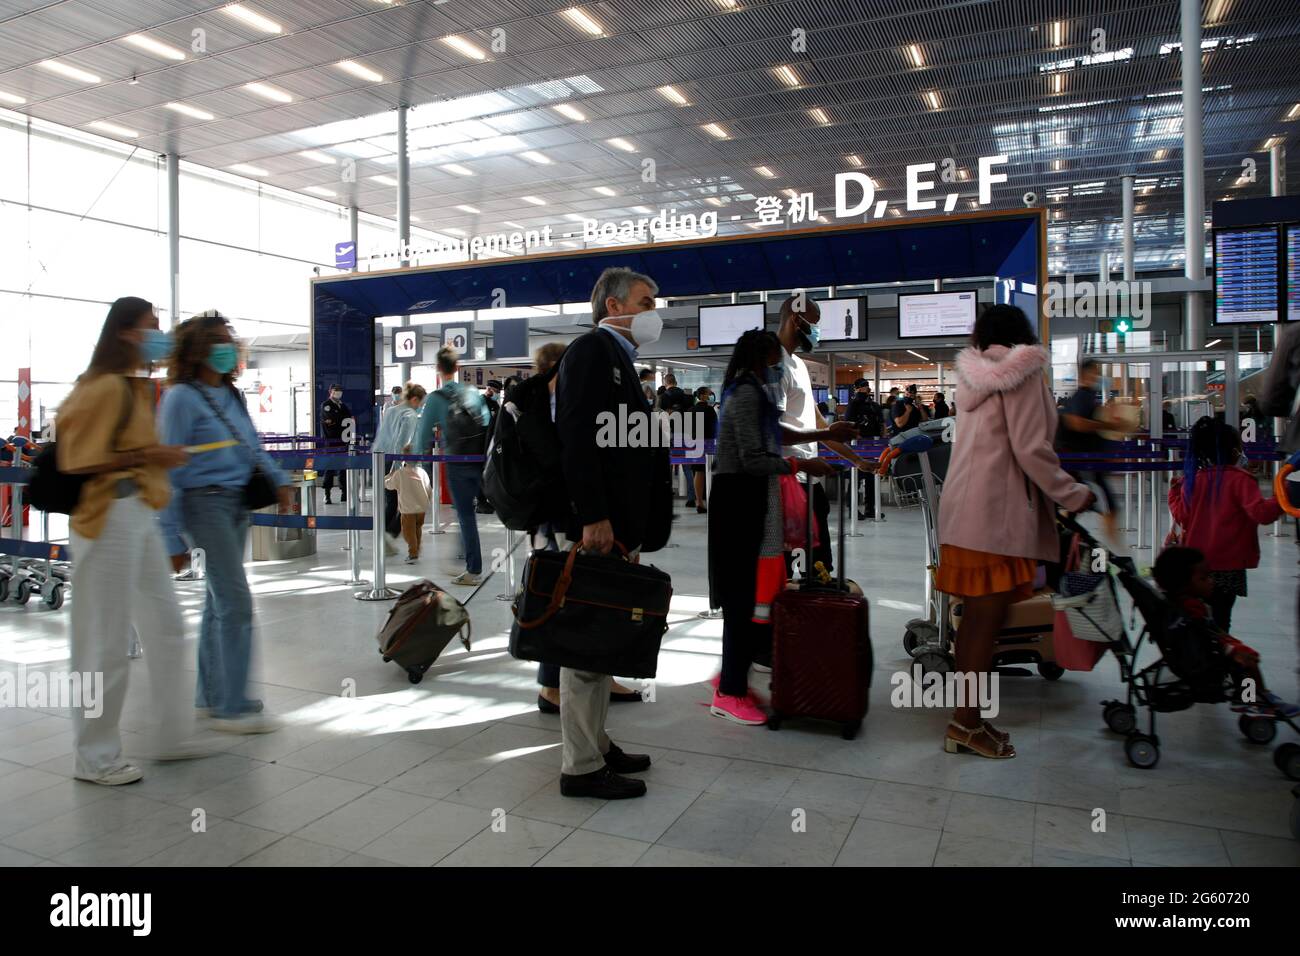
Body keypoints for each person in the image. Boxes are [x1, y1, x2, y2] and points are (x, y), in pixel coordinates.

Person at [56, 297, 204, 784]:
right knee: (104, 640)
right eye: (151, 327)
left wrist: (150, 459)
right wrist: (150, 453)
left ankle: (170, 734)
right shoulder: (101, 388)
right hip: (107, 517)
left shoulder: (136, 386)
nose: (160, 335)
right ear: (125, 332)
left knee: (164, 624)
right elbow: (76, 458)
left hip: (137, 510)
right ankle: (94, 755)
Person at [937, 305, 1094, 759]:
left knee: (979, 622)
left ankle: (970, 719)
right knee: (985, 624)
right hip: (995, 520)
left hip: (966, 517)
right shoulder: (1021, 373)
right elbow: (1031, 449)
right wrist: (1073, 494)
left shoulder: (973, 378)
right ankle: (965, 725)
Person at [552, 266, 672, 799]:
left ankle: (596, 742)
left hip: (621, 528)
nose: (653, 312)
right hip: (599, 527)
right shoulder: (591, 353)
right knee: (585, 642)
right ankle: (579, 766)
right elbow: (576, 438)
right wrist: (592, 515)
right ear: (614, 307)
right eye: (645, 303)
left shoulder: (621, 360)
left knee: (603, 638)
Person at [159, 311, 291, 735]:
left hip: (235, 504)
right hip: (205, 505)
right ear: (196, 348)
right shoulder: (181, 398)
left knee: (218, 603)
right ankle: (230, 707)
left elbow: (251, 447)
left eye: (229, 339)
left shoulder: (230, 395)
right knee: (235, 603)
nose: (227, 346)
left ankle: (211, 696)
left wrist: (278, 480)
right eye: (217, 339)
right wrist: (168, 536)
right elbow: (165, 468)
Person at [708, 330, 837, 725]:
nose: (781, 366)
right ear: (762, 357)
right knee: (741, 598)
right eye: (775, 359)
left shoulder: (753, 391)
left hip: (749, 499)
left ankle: (731, 677)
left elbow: (775, 436)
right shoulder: (747, 393)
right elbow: (751, 457)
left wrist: (823, 435)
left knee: (750, 595)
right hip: (739, 501)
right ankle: (728, 692)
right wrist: (800, 465)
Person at [525, 342, 643, 714]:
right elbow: (574, 450)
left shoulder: (563, 392)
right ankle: (549, 686)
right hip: (570, 513)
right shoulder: (555, 397)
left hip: (579, 509)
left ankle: (603, 675)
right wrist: (591, 513)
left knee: (597, 596)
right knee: (567, 598)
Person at [774, 295, 866, 576]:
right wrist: (826, 431)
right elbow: (772, 430)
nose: (817, 331)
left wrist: (858, 461)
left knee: (820, 566)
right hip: (785, 483)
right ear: (795, 319)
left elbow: (815, 422)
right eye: (814, 323)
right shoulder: (774, 366)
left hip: (809, 482)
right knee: (790, 570)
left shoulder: (799, 365)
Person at [1167, 417, 1281, 632]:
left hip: (1197, 566)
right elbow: (1262, 513)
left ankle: (1202, 659)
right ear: (1234, 450)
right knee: (1221, 621)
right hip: (1229, 566)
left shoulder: (1193, 480)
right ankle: (1220, 657)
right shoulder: (1240, 479)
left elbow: (1182, 515)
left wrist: (1173, 493)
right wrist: (1283, 497)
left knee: (1199, 620)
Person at [1152, 547, 1297, 716]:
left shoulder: (1179, 604)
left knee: (1246, 658)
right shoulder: (1191, 608)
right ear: (1183, 584)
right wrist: (1231, 649)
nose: (1211, 581)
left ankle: (1255, 696)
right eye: (1204, 578)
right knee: (1248, 662)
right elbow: (1203, 635)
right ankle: (1251, 699)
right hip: (1211, 654)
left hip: (1210, 649)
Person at [414, 348, 489, 585]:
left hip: (456, 460)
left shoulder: (436, 398)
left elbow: (423, 435)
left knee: (465, 514)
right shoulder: (471, 391)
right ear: (457, 368)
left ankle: (473, 569)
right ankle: (462, 556)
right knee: (467, 513)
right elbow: (486, 421)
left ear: (438, 369)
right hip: (478, 458)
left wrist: (416, 459)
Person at [1057, 358, 1125, 546]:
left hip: (1088, 462)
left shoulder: (1086, 396)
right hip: (1084, 461)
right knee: (1099, 503)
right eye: (1094, 372)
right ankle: (1112, 545)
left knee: (1082, 504)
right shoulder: (1081, 396)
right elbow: (1075, 422)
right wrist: (1107, 424)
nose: (1096, 376)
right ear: (1084, 374)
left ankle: (1068, 534)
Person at [372, 382, 426, 557]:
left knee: (388, 501)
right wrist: (396, 468)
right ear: (415, 399)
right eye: (421, 403)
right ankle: (386, 536)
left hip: (378, 457)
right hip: (392, 460)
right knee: (399, 503)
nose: (421, 407)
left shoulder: (390, 410)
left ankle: (382, 536)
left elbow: (381, 435)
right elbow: (400, 443)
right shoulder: (409, 415)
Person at [385, 457, 432, 564]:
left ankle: (413, 553)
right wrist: (427, 501)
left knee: (408, 533)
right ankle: (417, 548)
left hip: (407, 510)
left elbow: (389, 485)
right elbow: (429, 488)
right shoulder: (422, 472)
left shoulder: (399, 473)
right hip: (421, 508)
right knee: (417, 529)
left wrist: (386, 477)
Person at [319, 383, 352, 504]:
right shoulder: (326, 405)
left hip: (343, 441)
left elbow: (349, 418)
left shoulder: (342, 405)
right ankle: (327, 494)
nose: (338, 392)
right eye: (335, 390)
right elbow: (330, 420)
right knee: (330, 468)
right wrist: (339, 420)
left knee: (343, 468)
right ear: (330, 391)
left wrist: (339, 419)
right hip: (331, 442)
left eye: (339, 390)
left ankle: (344, 493)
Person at [690, 386, 717, 514]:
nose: (711, 395)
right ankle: (707, 501)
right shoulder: (710, 410)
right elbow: (715, 429)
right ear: (702, 396)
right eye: (708, 393)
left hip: (693, 442)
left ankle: (699, 501)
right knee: (707, 472)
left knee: (697, 472)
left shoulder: (691, 410)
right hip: (707, 442)